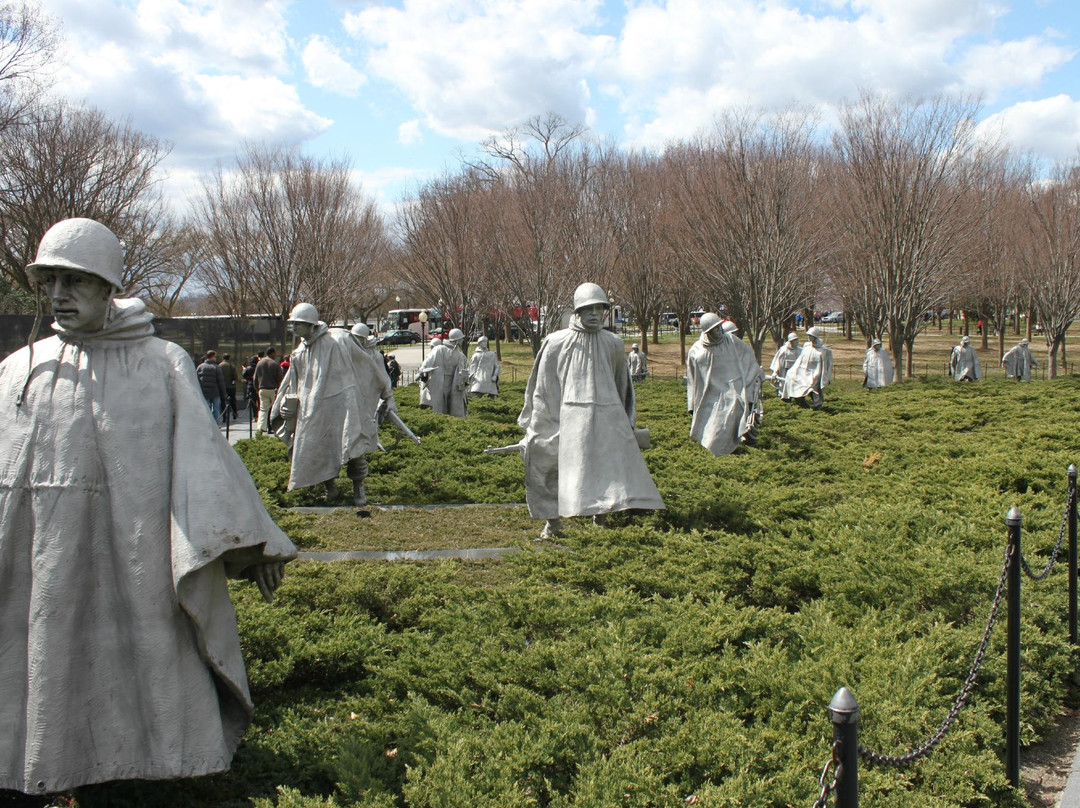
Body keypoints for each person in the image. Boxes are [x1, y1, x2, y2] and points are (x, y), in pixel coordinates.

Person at [0, 218, 295, 796]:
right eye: (51, 281)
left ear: (109, 288)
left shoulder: (161, 364)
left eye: (76, 282)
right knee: (36, 658)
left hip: (134, 565)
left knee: (141, 672)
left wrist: (253, 543)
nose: (59, 295)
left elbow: (205, 463)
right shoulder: (16, 370)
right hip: (35, 565)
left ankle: (146, 766)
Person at [516, 283, 665, 539]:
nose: (595, 314)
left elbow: (623, 386)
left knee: (603, 468)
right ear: (577, 311)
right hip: (564, 418)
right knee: (548, 464)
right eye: (589, 308)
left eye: (600, 308)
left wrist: (626, 422)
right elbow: (543, 388)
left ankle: (601, 516)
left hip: (605, 419)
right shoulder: (555, 343)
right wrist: (539, 424)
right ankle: (553, 523)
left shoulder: (614, 344)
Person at [270, 303, 387, 505]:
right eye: (294, 324)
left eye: (299, 324)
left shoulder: (336, 340)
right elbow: (293, 381)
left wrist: (384, 392)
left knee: (353, 447)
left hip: (342, 403)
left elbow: (363, 365)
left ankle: (359, 489)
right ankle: (330, 488)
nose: (295, 328)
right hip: (311, 410)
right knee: (317, 449)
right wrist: (285, 403)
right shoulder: (299, 351)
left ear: (311, 325)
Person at [686, 314, 764, 456]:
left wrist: (753, 376)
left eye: (719, 327)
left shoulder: (732, 341)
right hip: (709, 396)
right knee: (712, 431)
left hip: (732, 391)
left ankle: (729, 451)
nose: (718, 331)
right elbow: (691, 380)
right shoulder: (696, 351)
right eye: (714, 329)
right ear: (706, 332)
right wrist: (691, 405)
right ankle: (718, 454)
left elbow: (748, 358)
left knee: (732, 414)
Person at [418, 328, 468, 416]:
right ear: (456, 339)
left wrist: (465, 379)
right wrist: (422, 370)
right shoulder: (439, 349)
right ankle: (440, 420)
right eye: (461, 338)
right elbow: (427, 362)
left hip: (453, 383)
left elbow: (463, 371)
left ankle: (450, 420)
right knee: (439, 404)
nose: (462, 340)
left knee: (451, 404)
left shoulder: (461, 356)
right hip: (439, 381)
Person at [782, 326, 833, 409]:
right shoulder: (806, 346)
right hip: (802, 372)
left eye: (810, 336)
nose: (808, 337)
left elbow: (827, 365)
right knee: (791, 376)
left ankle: (817, 405)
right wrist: (793, 370)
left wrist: (826, 378)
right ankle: (796, 400)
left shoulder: (824, 350)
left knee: (812, 384)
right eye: (808, 335)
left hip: (815, 373)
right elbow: (800, 361)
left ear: (815, 336)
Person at [254, 346, 284, 434]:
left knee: (263, 409)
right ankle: (272, 427)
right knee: (273, 409)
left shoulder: (259, 363)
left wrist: (257, 388)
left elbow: (255, 378)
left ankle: (261, 427)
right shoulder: (275, 364)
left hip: (262, 389)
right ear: (272, 353)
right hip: (273, 389)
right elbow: (280, 377)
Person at [196, 349, 227, 423]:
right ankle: (216, 424)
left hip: (204, 391)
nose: (216, 358)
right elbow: (221, 382)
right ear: (212, 357)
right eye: (215, 356)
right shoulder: (216, 367)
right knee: (216, 409)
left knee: (206, 408)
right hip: (215, 391)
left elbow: (196, 379)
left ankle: (207, 423)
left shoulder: (200, 367)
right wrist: (224, 393)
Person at [768, 332, 800, 396]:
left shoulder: (800, 350)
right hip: (785, 371)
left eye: (797, 339)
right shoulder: (784, 350)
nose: (797, 341)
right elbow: (778, 362)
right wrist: (775, 372)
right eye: (795, 340)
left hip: (796, 372)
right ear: (791, 341)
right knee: (785, 385)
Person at [219, 352, 239, 419]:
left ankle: (224, 416)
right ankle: (234, 414)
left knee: (223, 401)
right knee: (233, 401)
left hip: (223, 387)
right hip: (231, 386)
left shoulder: (219, 366)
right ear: (229, 358)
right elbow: (235, 377)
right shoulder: (232, 366)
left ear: (222, 358)